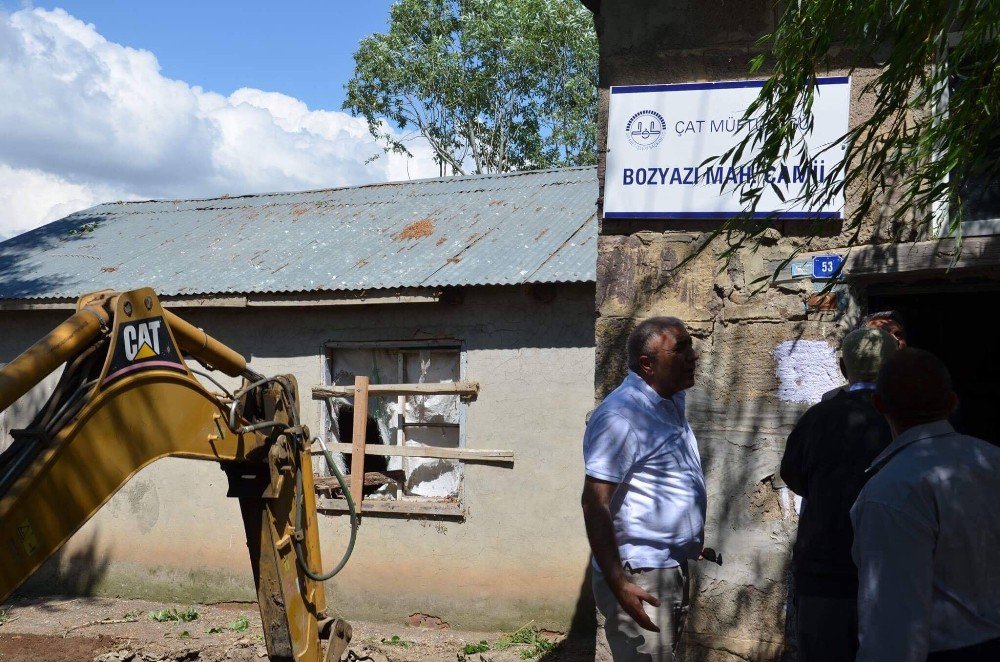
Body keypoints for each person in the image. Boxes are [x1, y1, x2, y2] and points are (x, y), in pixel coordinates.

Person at [852, 349, 1000, 661]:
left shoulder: (893, 490)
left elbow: (892, 632)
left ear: (878, 404)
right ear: (952, 403)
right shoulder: (993, 460)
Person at [581, 316, 705, 661]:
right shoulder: (621, 417)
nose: (693, 357)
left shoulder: (670, 402)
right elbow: (594, 504)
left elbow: (665, 480)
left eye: (691, 347)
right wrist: (619, 584)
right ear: (647, 364)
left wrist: (689, 535)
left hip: (667, 567)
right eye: (680, 350)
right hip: (639, 574)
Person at [780, 328, 897, 661]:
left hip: (824, 569)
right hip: (890, 571)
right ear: (893, 366)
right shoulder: (903, 418)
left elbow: (792, 473)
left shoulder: (818, 417)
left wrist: (828, 497)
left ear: (844, 368)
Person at [822, 311, 907, 402]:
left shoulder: (917, 397)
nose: (894, 340)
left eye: (898, 334)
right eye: (880, 334)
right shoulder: (831, 400)